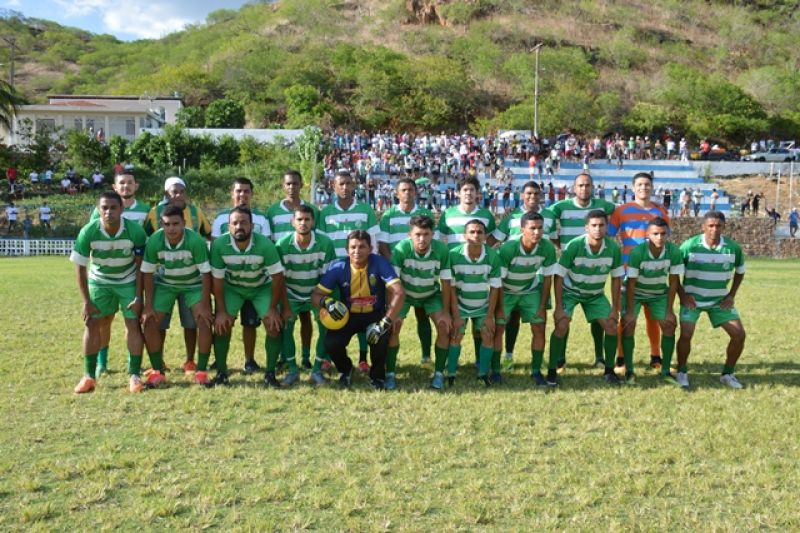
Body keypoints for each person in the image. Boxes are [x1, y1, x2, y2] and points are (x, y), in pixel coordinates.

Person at [70, 192, 148, 394]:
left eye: (113, 207)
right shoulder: (88, 231)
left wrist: (139, 297)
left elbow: (142, 268)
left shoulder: (135, 232)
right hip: (100, 282)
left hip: (128, 281)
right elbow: (79, 267)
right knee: (93, 323)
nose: (109, 212)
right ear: (98, 210)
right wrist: (86, 301)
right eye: (104, 208)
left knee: (132, 323)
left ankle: (134, 375)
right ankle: (89, 376)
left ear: (121, 209)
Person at [311, 230, 405, 390]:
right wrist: (326, 302)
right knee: (331, 342)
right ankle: (346, 370)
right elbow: (315, 295)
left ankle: (377, 377)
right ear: (347, 250)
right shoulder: (338, 267)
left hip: (374, 314)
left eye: (362, 247)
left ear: (370, 248)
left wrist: (386, 321)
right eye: (353, 247)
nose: (357, 251)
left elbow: (399, 291)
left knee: (380, 337)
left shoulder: (380, 263)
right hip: (347, 315)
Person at [210, 207, 287, 388]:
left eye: (243, 222)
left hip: (261, 287)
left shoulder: (265, 245)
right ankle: (221, 373)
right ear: (228, 227)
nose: (239, 226)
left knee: (273, 325)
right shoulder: (219, 245)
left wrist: (271, 309)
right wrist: (221, 311)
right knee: (221, 326)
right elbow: (217, 281)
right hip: (232, 288)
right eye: (235, 223)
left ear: (252, 225)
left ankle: (270, 374)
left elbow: (277, 278)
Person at [139, 205, 214, 389]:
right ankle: (158, 371)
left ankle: (201, 372)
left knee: (204, 320)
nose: (171, 228)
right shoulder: (155, 240)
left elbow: (206, 274)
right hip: (165, 285)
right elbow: (147, 273)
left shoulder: (195, 240)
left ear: (184, 223)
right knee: (149, 321)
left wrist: (205, 304)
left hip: (193, 284)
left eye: (175, 224)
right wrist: (148, 305)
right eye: (166, 224)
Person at [547, 210, 624, 387]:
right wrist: (559, 307)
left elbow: (616, 278)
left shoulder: (613, 249)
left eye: (601, 225)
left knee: (612, 325)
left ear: (607, 227)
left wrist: (615, 308)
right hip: (570, 292)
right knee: (562, 324)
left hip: (595, 294)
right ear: (586, 227)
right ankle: (552, 371)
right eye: (594, 225)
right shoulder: (575, 246)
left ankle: (609, 371)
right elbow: (558, 276)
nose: (597, 229)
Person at [549, 173, 616, 370]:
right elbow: (547, 222)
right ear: (573, 187)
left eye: (588, 185)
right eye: (580, 185)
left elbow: (620, 214)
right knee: (564, 320)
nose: (584, 189)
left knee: (600, 318)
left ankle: (600, 356)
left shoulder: (604, 206)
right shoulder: (560, 207)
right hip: (571, 265)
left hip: (594, 269)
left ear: (593, 187)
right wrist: (562, 245)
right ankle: (559, 359)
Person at [318, 170, 381, 373]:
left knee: (362, 310)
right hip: (334, 273)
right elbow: (322, 245)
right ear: (333, 187)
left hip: (360, 271)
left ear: (354, 186)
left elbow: (374, 243)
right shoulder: (325, 213)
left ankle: (363, 359)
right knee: (332, 313)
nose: (345, 187)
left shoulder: (366, 210)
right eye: (341, 184)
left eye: (348, 183)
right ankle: (327, 356)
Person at [89, 171, 151, 376]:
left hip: (131, 275)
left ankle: (132, 366)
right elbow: (93, 238)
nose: (126, 186)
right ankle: (101, 362)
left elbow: (147, 241)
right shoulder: (100, 210)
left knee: (131, 320)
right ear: (115, 187)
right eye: (121, 183)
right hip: (104, 277)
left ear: (136, 185)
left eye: (129, 183)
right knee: (104, 320)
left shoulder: (145, 211)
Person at [675, 211, 747, 389]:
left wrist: (731, 295)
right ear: (703, 227)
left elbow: (740, 271)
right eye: (711, 226)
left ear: (724, 227)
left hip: (719, 301)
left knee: (739, 335)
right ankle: (682, 371)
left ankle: (727, 374)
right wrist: (683, 296)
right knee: (686, 333)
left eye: (718, 226)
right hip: (693, 300)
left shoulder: (732, 248)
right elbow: (674, 272)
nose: (714, 229)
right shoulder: (689, 246)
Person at [609, 172, 670, 370]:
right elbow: (608, 236)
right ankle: (621, 358)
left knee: (653, 317)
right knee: (626, 317)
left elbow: (664, 239)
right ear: (633, 187)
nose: (643, 188)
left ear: (652, 187)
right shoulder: (621, 211)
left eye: (647, 185)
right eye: (640, 185)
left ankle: (656, 356)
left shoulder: (660, 212)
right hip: (628, 273)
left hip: (653, 273)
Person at [211, 178, 271, 374]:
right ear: (232, 194)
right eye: (238, 191)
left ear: (252, 194)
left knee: (250, 323)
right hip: (230, 281)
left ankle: (249, 359)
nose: (242, 195)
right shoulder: (221, 218)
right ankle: (219, 362)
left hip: (255, 279)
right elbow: (216, 249)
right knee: (223, 321)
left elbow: (266, 247)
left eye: (246, 191)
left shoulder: (261, 219)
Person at [389, 215, 453, 390]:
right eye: (417, 234)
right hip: (405, 294)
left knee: (443, 326)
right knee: (393, 327)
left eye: (426, 234)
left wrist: (446, 313)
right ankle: (390, 374)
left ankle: (439, 373)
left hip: (431, 294)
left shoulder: (441, 250)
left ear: (433, 234)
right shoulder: (401, 249)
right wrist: (390, 311)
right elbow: (393, 282)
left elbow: (446, 282)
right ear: (410, 234)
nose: (422, 239)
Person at [378, 178, 437, 366]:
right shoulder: (388, 215)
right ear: (397, 193)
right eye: (403, 190)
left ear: (415, 192)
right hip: (396, 273)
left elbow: (431, 242)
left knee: (422, 314)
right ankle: (389, 363)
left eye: (410, 190)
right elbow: (383, 245)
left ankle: (426, 356)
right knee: (394, 317)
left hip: (419, 272)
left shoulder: (425, 213)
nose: (407, 193)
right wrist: (392, 271)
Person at [275, 205, 336, 386]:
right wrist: (285, 306)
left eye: (307, 219)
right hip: (291, 293)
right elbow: (279, 280)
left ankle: (317, 370)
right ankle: (293, 370)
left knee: (326, 327)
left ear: (313, 222)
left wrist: (321, 299)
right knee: (286, 327)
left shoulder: (325, 243)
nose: (303, 223)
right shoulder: (282, 245)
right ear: (292, 222)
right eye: (299, 219)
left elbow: (328, 277)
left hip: (317, 292)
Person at [267, 170, 321, 370]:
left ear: (301, 185)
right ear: (283, 186)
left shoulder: (311, 209)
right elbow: (270, 240)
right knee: (285, 318)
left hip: (308, 271)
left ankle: (306, 357)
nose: (292, 187)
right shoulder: (272, 211)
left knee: (307, 318)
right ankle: (284, 356)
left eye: (295, 183)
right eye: (288, 184)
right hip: (284, 271)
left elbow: (317, 237)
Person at [620, 218, 683, 385]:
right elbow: (631, 283)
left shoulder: (674, 252)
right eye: (655, 234)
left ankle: (665, 370)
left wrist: (669, 311)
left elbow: (674, 282)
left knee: (669, 324)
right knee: (629, 324)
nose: (660, 237)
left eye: (663, 234)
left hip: (658, 293)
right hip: (635, 292)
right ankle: (629, 370)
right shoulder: (637, 252)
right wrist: (630, 312)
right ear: (648, 235)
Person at [498, 211, 557, 386]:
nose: (537, 232)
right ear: (523, 229)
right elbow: (498, 280)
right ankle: (495, 370)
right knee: (498, 328)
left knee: (539, 327)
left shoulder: (547, 247)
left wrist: (542, 304)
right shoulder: (508, 248)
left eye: (540, 228)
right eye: (532, 228)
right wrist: (500, 306)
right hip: (506, 291)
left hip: (530, 291)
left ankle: (536, 370)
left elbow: (548, 278)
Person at [447, 219, 503, 387]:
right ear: (465, 235)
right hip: (461, 305)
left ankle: (483, 374)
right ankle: (450, 374)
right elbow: (450, 289)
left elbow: (494, 288)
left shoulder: (492, 256)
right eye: (472, 232)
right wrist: (456, 315)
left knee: (488, 333)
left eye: (480, 232)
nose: (476, 235)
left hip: (482, 306)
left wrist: (489, 316)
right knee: (456, 335)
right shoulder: (454, 255)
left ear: (485, 236)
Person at [439, 176, 496, 251]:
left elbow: (493, 240)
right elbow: (438, 238)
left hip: (478, 261)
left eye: (472, 190)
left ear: (477, 193)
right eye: (465, 190)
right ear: (458, 193)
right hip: (454, 261)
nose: (468, 193)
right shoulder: (447, 214)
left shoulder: (487, 215)